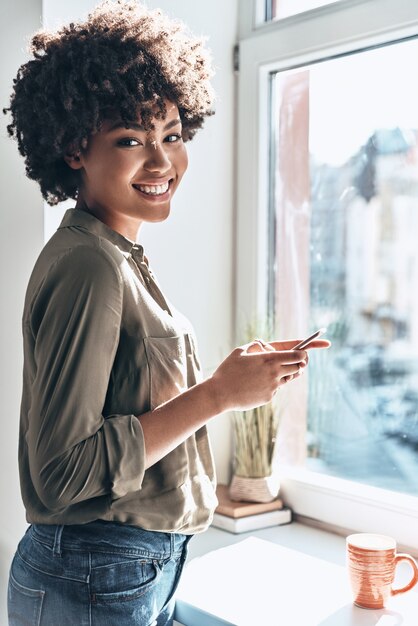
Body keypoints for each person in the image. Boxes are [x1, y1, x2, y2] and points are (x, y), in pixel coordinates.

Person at [4, 2, 329, 624]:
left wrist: (227, 385)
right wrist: (217, 396)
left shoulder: (114, 254)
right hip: (98, 571)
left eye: (172, 135)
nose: (162, 163)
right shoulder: (90, 266)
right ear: (75, 148)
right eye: (131, 140)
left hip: (132, 569)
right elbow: (60, 475)